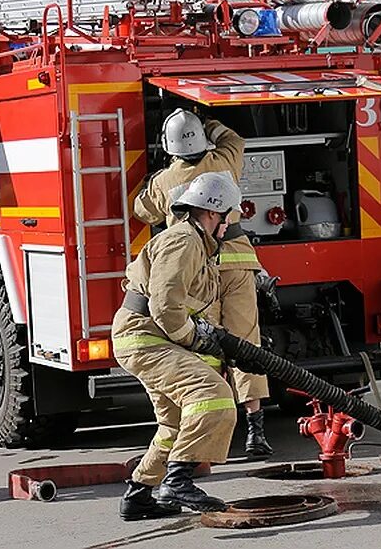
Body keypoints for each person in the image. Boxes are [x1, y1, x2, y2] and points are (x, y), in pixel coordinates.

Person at [134, 109, 274, 458]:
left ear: (169, 146)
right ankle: (256, 431)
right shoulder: (224, 158)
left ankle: (213, 431)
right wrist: (209, 120)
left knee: (209, 347)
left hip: (201, 269)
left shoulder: (165, 181)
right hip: (241, 263)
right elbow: (235, 139)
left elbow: (141, 210)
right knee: (246, 341)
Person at [114, 172, 242, 520]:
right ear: (213, 213)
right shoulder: (184, 240)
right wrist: (195, 340)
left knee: (173, 424)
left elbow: (192, 306)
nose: (229, 225)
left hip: (148, 338)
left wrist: (214, 345)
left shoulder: (197, 245)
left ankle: (138, 495)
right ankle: (177, 481)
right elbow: (165, 306)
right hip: (146, 337)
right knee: (214, 399)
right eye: (228, 217)